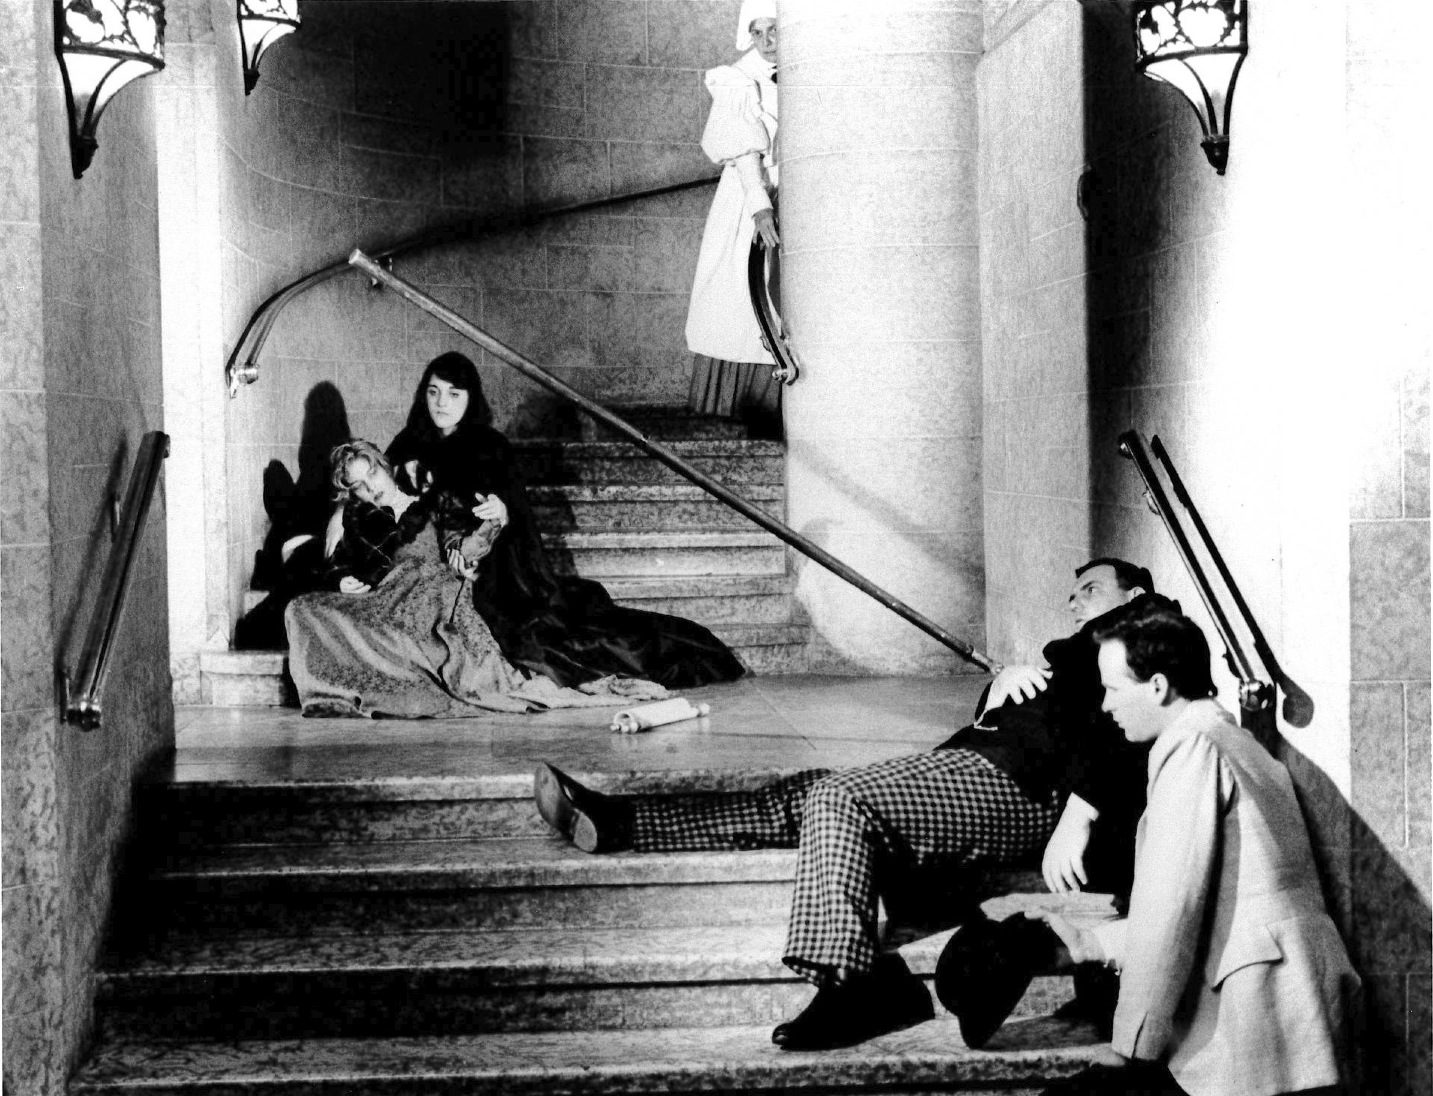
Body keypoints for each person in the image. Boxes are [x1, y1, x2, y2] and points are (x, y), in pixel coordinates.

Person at [533, 558, 1158, 1050]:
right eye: (1073, 591)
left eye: (1093, 587)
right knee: (805, 793)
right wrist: (996, 689)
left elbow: (1144, 730)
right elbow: (1006, 724)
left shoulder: (1144, 636)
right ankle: (621, 821)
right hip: (977, 767)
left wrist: (1079, 810)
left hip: (1018, 788)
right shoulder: (1078, 650)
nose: (1076, 598)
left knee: (839, 798)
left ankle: (858, 985)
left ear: (1135, 594)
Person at [957, 600, 1359, 1096]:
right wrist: (1091, 945)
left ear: (1157, 686)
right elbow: (1218, 911)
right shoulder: (1230, 742)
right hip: (1290, 1011)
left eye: (1112, 688)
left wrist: (1133, 1047)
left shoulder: (1193, 749)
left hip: (1255, 1020)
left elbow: (1171, 912)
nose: (1105, 705)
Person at [328, 352, 746, 691]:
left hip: (489, 566)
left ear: (470, 399)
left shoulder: (489, 444)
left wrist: (502, 510)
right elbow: (374, 495)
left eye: (454, 394)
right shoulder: (406, 443)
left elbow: (512, 505)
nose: (441, 403)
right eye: (434, 392)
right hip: (428, 567)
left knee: (540, 639)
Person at [285, 441, 668, 718]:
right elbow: (336, 564)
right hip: (384, 598)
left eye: (373, 473)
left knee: (450, 652)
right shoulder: (353, 519)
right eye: (358, 485)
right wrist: (341, 582)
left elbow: (462, 547)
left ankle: (409, 672)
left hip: (434, 592)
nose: (371, 487)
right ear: (350, 491)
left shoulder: (431, 501)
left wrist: (492, 523)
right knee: (302, 608)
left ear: (385, 466)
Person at [684, 0, 783, 439]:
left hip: (798, 190)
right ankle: (748, 409)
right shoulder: (739, 78)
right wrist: (760, 205)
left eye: (774, 30)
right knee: (745, 298)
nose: (767, 41)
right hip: (752, 195)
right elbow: (745, 153)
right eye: (758, 32)